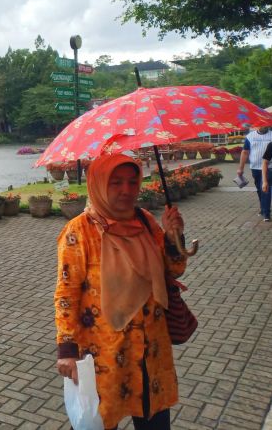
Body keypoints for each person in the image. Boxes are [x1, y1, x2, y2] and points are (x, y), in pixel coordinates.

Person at [55, 153, 187, 430]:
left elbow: (173, 271)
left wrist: (174, 236)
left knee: (155, 420)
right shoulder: (78, 231)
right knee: (104, 418)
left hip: (151, 344)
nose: (126, 190)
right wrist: (67, 349)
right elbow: (66, 294)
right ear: (99, 184)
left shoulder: (146, 220)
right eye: (115, 183)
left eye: (132, 181)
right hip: (105, 350)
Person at [237, 126, 272, 221]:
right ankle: (263, 208)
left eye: (265, 124)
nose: (263, 126)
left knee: (265, 189)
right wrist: (241, 168)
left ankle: (266, 213)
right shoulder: (250, 136)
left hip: (268, 167)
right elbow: (245, 152)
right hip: (255, 167)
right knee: (259, 189)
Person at [261, 139, 272, 221]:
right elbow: (265, 163)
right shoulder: (271, 145)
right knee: (267, 194)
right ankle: (266, 213)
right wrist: (264, 181)